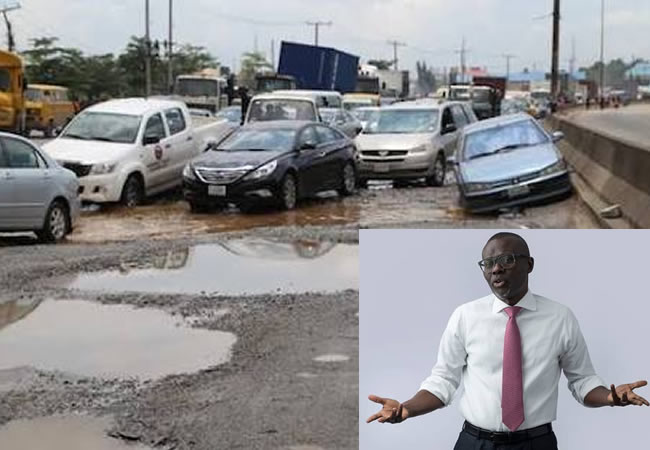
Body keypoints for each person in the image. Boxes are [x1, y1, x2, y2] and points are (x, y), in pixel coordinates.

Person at [367, 232, 648, 450]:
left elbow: (582, 380)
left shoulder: (560, 317)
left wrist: (611, 397)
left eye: (506, 260)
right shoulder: (465, 316)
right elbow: (443, 381)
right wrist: (406, 408)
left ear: (529, 264)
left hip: (537, 444)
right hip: (475, 443)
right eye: (487, 264)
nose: (496, 269)